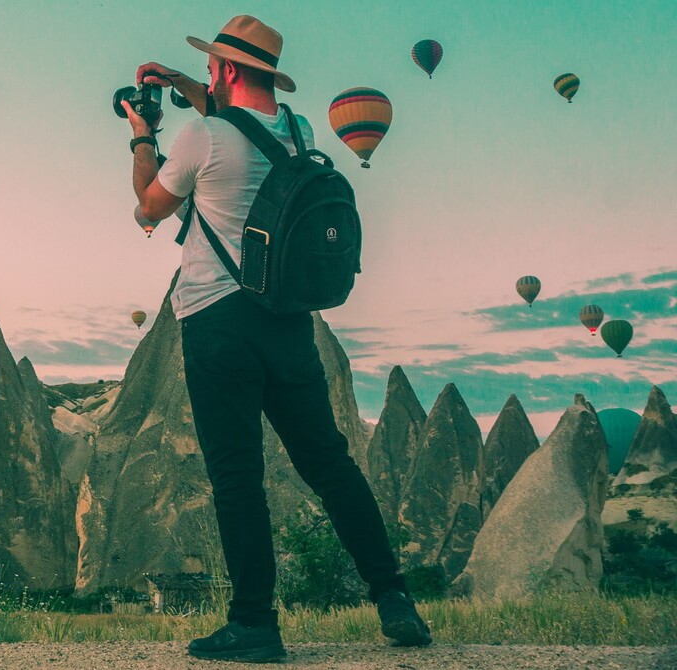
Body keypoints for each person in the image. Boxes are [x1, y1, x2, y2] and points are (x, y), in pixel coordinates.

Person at [124, 15, 433, 662]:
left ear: (229, 71)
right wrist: (181, 79)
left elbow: (150, 207)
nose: (206, 76)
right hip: (290, 323)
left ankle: (255, 624)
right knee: (330, 463)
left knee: (238, 475)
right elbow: (241, 119)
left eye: (212, 67)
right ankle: (393, 597)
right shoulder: (298, 134)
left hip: (216, 322)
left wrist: (141, 138)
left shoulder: (199, 138)